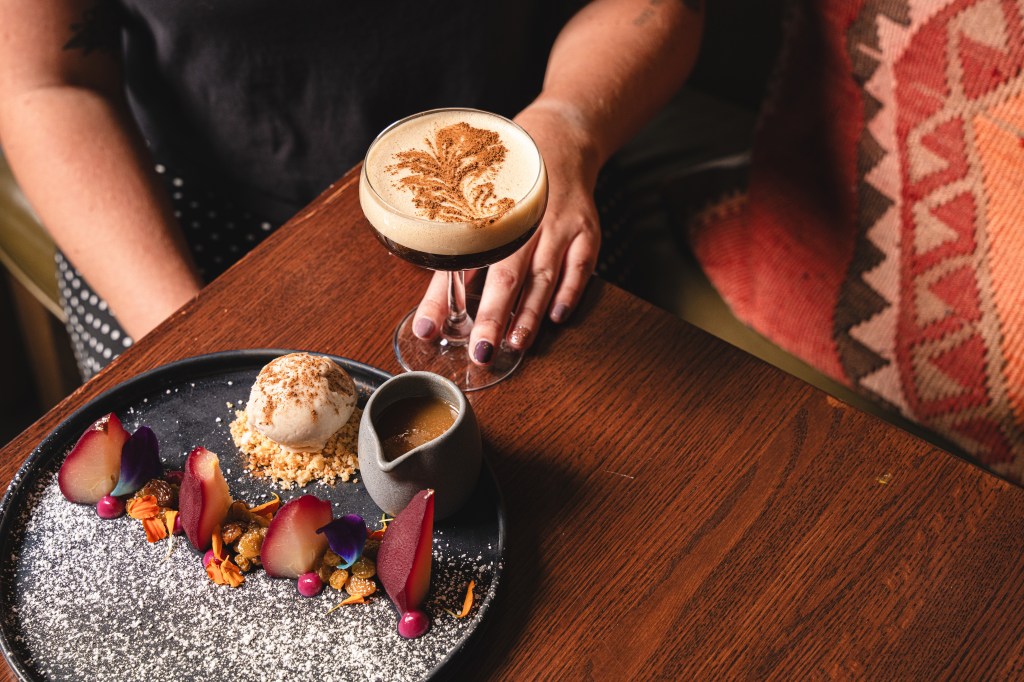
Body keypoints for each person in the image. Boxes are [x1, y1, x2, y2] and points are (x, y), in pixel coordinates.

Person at [0, 0, 704, 379]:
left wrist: (570, 122)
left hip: (531, 164)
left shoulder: (549, 146)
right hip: (183, 218)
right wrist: (192, 332)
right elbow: (45, 81)